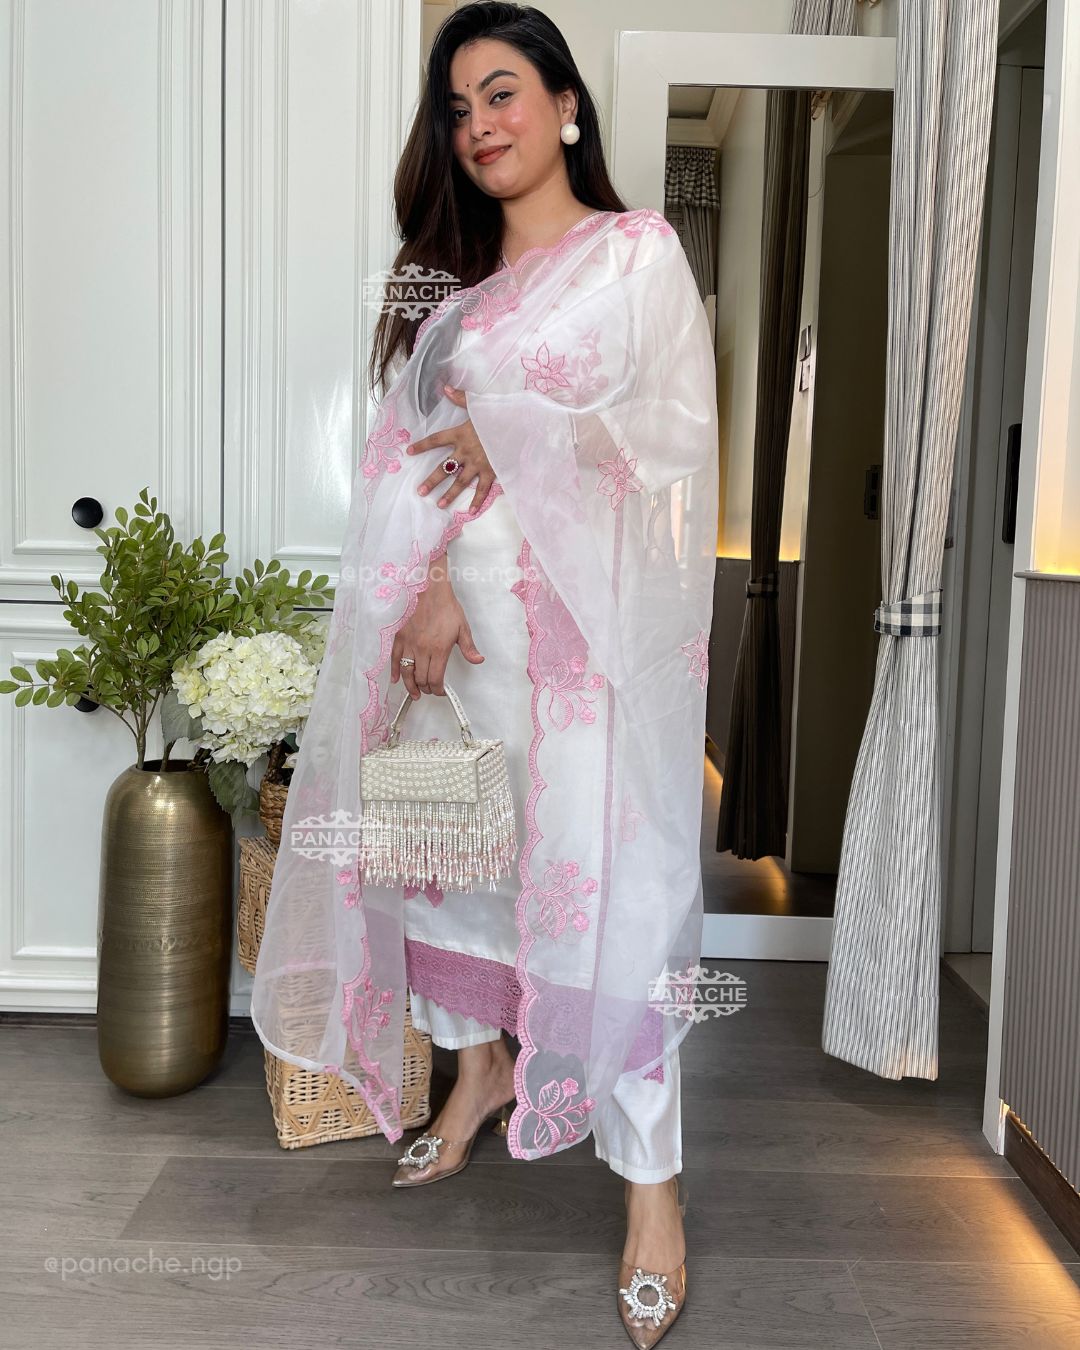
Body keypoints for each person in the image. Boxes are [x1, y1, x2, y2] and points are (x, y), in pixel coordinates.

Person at [250, 4, 718, 1345]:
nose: (480, 126)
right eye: (457, 109)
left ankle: (652, 1193)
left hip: (580, 656)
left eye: (503, 93)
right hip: (454, 649)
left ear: (568, 105)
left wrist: (516, 435)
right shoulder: (449, 297)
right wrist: (435, 589)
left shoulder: (634, 257)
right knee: (457, 870)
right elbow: (411, 472)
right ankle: (477, 1078)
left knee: (609, 898)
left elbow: (671, 430)